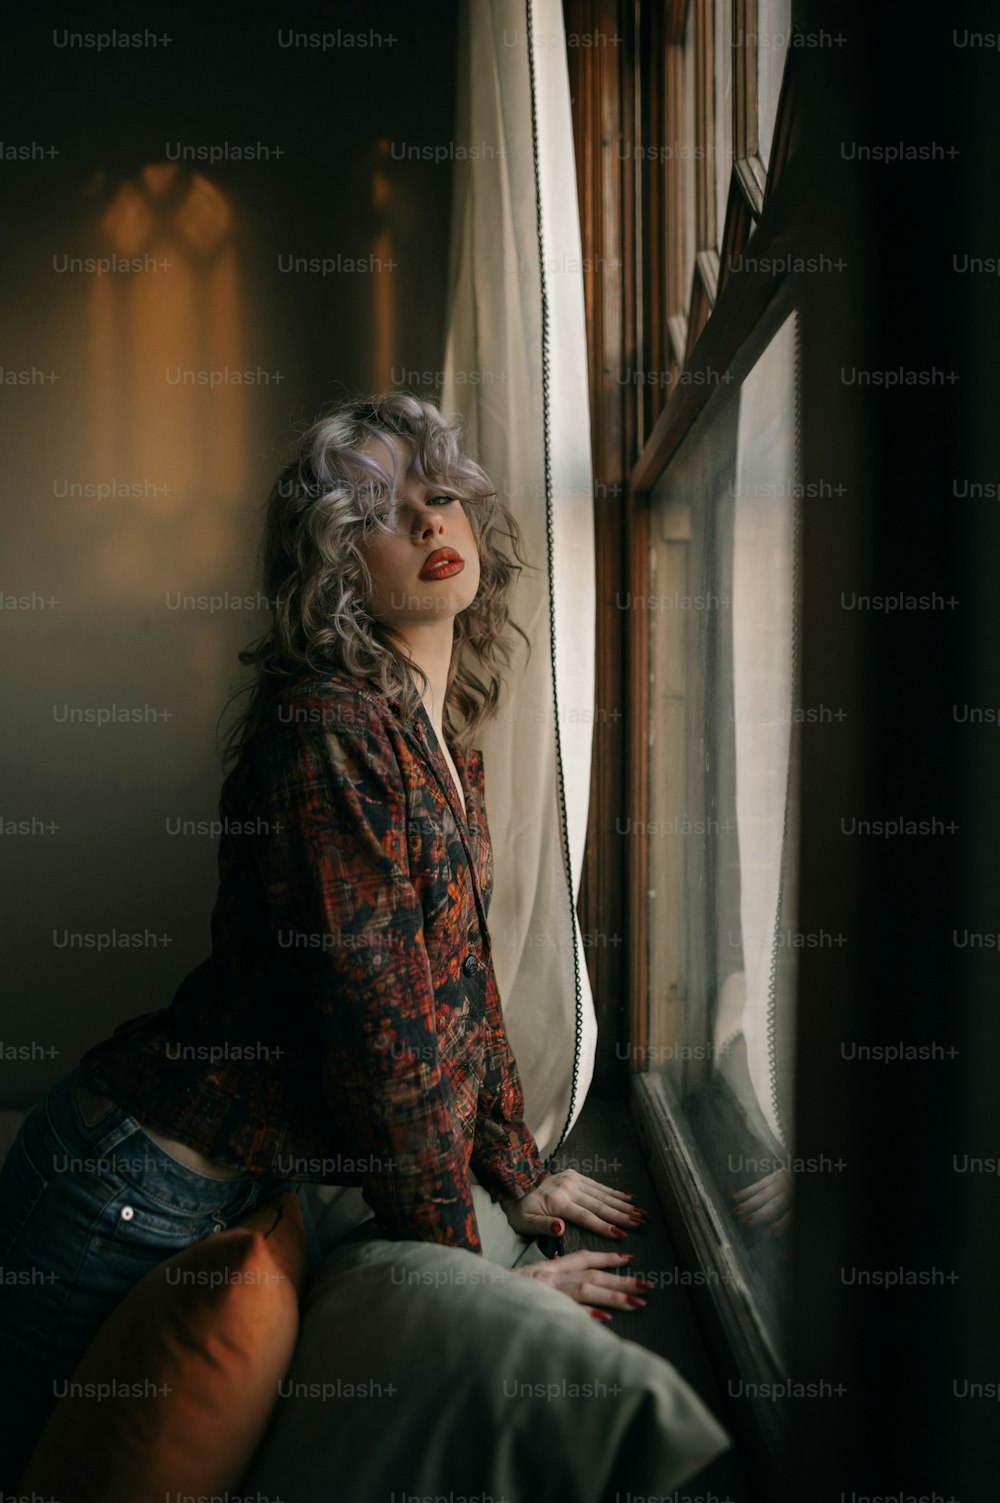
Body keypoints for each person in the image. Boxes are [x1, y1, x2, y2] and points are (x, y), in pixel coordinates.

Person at [0, 391, 652, 1486]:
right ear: (334, 570)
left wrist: (514, 1163)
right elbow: (381, 1042)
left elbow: (459, 980)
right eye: (378, 515)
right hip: (118, 1191)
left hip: (168, 1182)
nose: (427, 525)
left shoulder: (431, 734)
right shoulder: (327, 734)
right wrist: (471, 1279)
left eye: (440, 497)